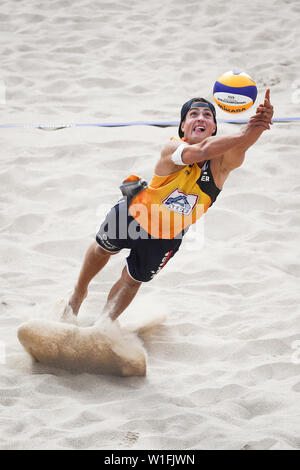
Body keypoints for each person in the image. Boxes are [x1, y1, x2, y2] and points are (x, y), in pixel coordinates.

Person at [68, 89, 273, 321]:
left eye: (207, 115)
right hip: (134, 214)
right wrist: (247, 131)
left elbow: (240, 146)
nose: (200, 118)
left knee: (132, 280)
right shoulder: (173, 148)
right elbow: (204, 150)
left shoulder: (222, 165)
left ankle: (103, 325)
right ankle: (78, 294)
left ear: (214, 127)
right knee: (102, 249)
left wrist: (258, 125)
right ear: (183, 127)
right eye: (193, 114)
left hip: (166, 236)